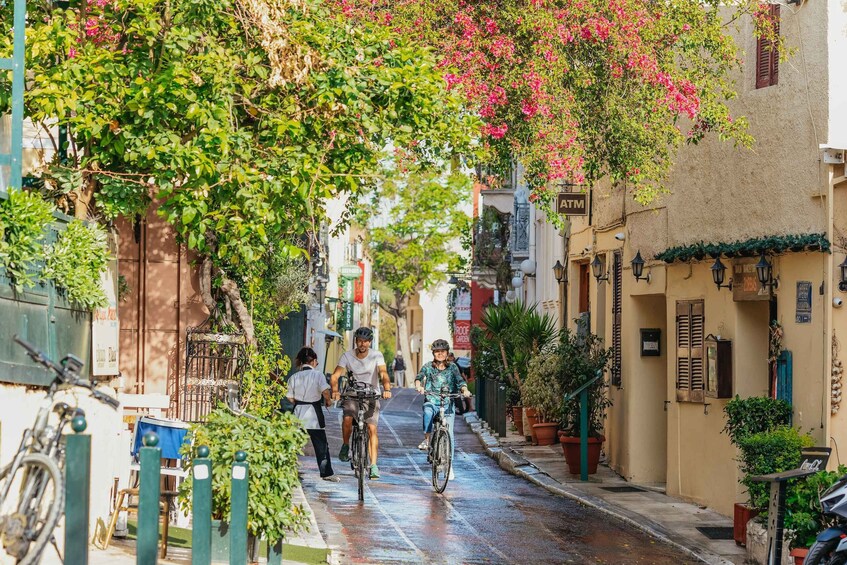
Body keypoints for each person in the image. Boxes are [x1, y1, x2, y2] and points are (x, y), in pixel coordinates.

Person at [330, 326, 391, 480]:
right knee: (347, 419)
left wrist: (387, 388)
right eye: (360, 341)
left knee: (372, 428)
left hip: (371, 395)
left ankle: (374, 465)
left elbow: (383, 373)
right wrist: (335, 391)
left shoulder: (377, 356)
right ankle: (345, 445)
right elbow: (335, 376)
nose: (362, 344)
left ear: (370, 342)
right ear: (355, 341)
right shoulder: (347, 356)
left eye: (366, 341)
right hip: (352, 394)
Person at [414, 339, 471, 480]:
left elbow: (460, 380)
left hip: (447, 403)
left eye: (442, 352)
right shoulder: (428, 366)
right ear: (433, 353)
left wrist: (464, 390)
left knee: (449, 433)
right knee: (427, 411)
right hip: (432, 400)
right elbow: (419, 377)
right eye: (437, 352)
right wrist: (419, 386)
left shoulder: (453, 367)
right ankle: (427, 440)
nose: (440, 354)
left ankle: (449, 466)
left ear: (447, 353)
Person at [287, 347, 340, 482]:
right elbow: (325, 392)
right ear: (314, 361)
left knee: (292, 444)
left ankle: (288, 470)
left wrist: (300, 402)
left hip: (297, 413)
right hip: (314, 415)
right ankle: (326, 473)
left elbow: (290, 398)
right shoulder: (318, 375)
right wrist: (328, 401)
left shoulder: (294, 377)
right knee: (321, 445)